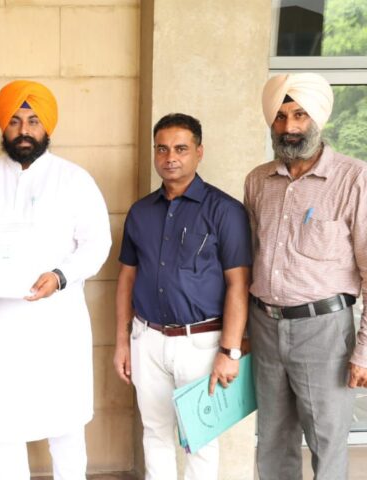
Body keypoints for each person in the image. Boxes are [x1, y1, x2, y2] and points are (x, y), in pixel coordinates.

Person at [0, 80, 111, 479]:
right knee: (4, 424)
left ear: (46, 126)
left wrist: (60, 275)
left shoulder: (74, 179)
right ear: (3, 126)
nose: (24, 130)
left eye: (33, 121)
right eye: (15, 121)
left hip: (55, 324)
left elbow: (98, 243)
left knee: (64, 424)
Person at [113, 113, 251, 479]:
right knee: (154, 433)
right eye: (162, 149)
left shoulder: (226, 211)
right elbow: (126, 278)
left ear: (199, 152)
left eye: (180, 149)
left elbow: (239, 284)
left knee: (200, 440)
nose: (170, 157)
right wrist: (123, 342)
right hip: (147, 339)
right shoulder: (140, 212)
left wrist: (230, 351)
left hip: (202, 344)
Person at [245, 72, 367, 479]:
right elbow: (249, 259)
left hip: (325, 330)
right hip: (264, 326)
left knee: (326, 442)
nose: (289, 127)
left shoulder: (354, 179)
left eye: (299, 115)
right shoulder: (258, 181)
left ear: (317, 118)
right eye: (280, 117)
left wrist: (364, 352)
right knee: (272, 440)